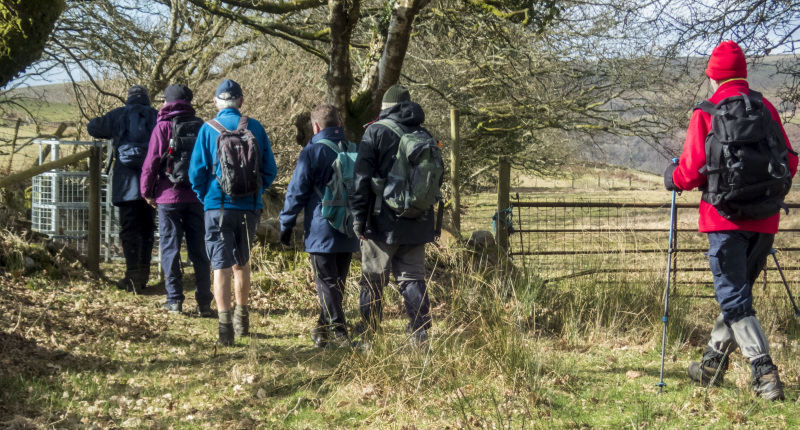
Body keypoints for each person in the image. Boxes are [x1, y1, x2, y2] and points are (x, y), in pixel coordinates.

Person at [664, 41, 798, 401]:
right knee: (737, 299)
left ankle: (765, 372)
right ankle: (711, 366)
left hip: (723, 221)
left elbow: (690, 171)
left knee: (735, 300)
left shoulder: (707, 110)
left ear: (712, 76)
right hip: (765, 220)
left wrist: (672, 177)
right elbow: (791, 162)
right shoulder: (765, 107)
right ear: (744, 74)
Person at [189, 79, 277, 346]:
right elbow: (270, 171)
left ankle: (225, 326)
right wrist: (254, 195)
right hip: (249, 209)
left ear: (216, 102)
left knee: (220, 266)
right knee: (242, 264)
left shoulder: (208, 129)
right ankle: (242, 319)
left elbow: (196, 174)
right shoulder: (255, 128)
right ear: (241, 102)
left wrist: (208, 198)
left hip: (217, 207)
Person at [350, 84, 438, 349]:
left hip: (380, 224)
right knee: (413, 279)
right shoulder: (424, 133)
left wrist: (358, 218)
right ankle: (421, 337)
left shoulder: (375, 132)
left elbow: (360, 180)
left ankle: (370, 339)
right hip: (418, 221)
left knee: (373, 280)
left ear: (385, 108)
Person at [279, 104, 360, 349]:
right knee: (337, 283)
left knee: (327, 283)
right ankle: (321, 330)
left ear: (315, 126)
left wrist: (286, 223)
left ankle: (340, 334)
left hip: (321, 227)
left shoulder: (311, 152)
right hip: (349, 225)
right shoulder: (354, 150)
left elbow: (296, 193)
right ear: (340, 124)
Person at [140, 84, 213, 317]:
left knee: (170, 247)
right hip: (197, 197)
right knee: (199, 250)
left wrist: (147, 192)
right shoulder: (201, 125)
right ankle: (204, 303)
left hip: (168, 196)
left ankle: (174, 301)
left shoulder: (162, 126)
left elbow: (151, 162)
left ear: (167, 102)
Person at [88, 85, 157, 293]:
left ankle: (133, 276)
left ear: (129, 98)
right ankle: (143, 274)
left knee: (129, 229)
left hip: (125, 183)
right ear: (147, 98)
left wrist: (115, 132)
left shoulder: (118, 115)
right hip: (150, 181)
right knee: (147, 227)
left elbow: (92, 127)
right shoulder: (155, 115)